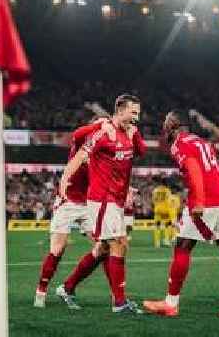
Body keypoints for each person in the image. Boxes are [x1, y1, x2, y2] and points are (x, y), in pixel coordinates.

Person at [143, 111, 219, 320]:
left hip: (205, 199)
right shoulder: (203, 142)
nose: (163, 125)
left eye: (166, 121)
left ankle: (170, 304)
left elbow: (193, 170)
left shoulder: (179, 143)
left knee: (182, 246)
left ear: (174, 124)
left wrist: (199, 201)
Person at [55, 94, 147, 314]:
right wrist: (64, 179)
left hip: (116, 200)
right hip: (102, 200)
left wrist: (135, 135)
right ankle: (119, 302)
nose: (137, 117)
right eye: (133, 112)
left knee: (103, 248)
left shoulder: (130, 132)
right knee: (119, 244)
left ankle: (67, 287)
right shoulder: (104, 133)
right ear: (120, 110)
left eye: (138, 113)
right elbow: (80, 155)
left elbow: (141, 152)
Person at [33, 112, 114, 308]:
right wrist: (100, 125)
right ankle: (41, 292)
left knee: (105, 247)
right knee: (57, 249)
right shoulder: (81, 142)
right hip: (67, 202)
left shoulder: (104, 150)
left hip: (88, 205)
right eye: (105, 124)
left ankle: (112, 294)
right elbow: (78, 132)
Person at [152, 183, 173, 248]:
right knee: (168, 225)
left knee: (157, 226)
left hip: (157, 210)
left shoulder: (155, 190)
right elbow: (169, 200)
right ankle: (166, 240)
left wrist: (156, 205)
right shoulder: (167, 190)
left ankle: (157, 243)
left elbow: (153, 200)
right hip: (166, 210)